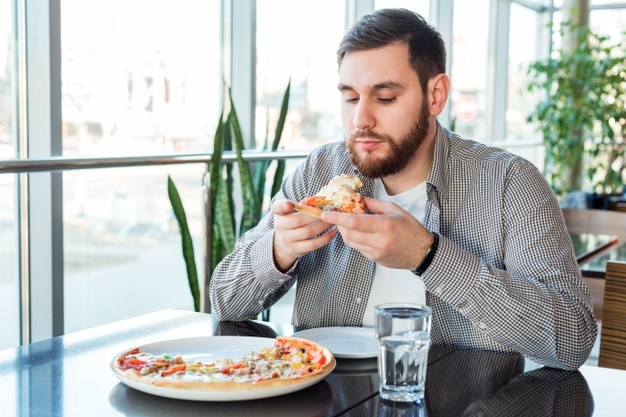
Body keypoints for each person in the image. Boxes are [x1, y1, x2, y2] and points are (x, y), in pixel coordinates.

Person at [210, 8, 597, 370]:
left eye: (385, 98)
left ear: (436, 95)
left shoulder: (511, 183)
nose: (361, 118)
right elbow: (224, 300)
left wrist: (427, 256)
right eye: (349, 97)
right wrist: (280, 250)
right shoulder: (319, 171)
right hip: (326, 397)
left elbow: (573, 338)